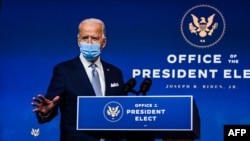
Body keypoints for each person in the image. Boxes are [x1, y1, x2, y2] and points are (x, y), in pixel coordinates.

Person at [31, 18, 126, 141]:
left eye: (95, 38)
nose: (89, 42)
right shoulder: (64, 71)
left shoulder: (115, 72)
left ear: (103, 42)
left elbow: (122, 112)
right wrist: (46, 112)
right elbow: (49, 106)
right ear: (78, 41)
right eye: (85, 38)